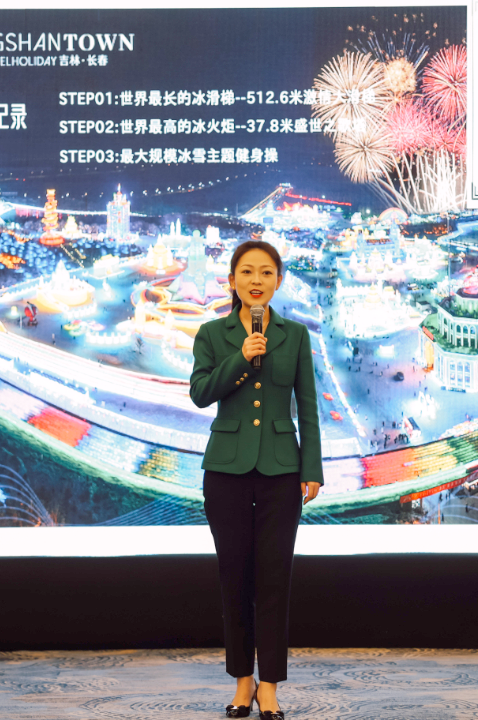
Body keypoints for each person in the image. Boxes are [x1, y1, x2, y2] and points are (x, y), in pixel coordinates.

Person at [190, 241, 323, 720]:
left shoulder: (296, 335)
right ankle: (242, 683)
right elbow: (200, 393)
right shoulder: (212, 333)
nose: (256, 280)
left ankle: (269, 687)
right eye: (247, 272)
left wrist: (312, 468)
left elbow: (307, 405)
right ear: (232, 281)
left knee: (274, 581)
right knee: (234, 579)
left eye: (266, 272)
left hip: (281, 472)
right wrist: (242, 358)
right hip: (225, 472)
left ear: (278, 281)